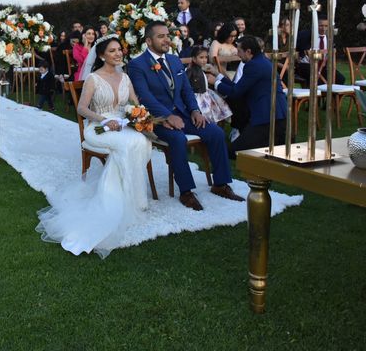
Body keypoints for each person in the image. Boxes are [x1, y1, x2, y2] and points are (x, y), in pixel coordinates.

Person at [36, 35, 153, 258]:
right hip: (98, 127)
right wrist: (103, 120)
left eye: (120, 50)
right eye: (112, 51)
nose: (118, 54)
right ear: (101, 55)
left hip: (121, 124)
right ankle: (117, 201)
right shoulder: (93, 78)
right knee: (128, 144)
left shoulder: (125, 77)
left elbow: (136, 104)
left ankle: (135, 197)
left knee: (141, 139)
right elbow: (81, 109)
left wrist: (141, 116)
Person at [128, 21, 242, 211]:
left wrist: (195, 111)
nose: (167, 39)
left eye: (167, 35)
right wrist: (166, 116)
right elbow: (144, 96)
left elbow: (187, 90)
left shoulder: (174, 60)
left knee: (215, 133)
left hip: (184, 114)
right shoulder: (136, 65)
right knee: (177, 139)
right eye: (161, 36)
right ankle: (187, 192)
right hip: (156, 119)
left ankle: (220, 184)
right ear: (148, 41)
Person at [210, 36, 287, 157]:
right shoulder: (262, 61)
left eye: (239, 51)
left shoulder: (253, 66)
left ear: (248, 52)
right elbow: (239, 87)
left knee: (235, 151)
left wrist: (215, 83)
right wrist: (218, 76)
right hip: (276, 114)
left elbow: (236, 92)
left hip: (266, 117)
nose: (237, 54)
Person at [295, 15, 345, 86]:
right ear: (315, 25)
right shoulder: (306, 35)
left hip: (322, 66)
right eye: (321, 26)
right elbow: (299, 50)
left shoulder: (329, 37)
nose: (323, 28)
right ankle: (315, 95)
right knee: (317, 80)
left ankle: (331, 96)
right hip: (306, 65)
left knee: (340, 79)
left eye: (326, 26)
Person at [187, 46, 232, 124]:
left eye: (206, 57)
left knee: (213, 112)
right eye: (201, 57)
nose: (204, 60)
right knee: (206, 113)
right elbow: (186, 82)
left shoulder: (202, 69)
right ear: (194, 59)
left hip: (206, 94)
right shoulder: (191, 71)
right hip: (198, 96)